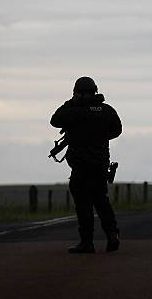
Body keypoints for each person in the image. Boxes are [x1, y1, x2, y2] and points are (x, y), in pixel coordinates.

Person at [50, 77, 122, 254]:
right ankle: (113, 235)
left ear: (78, 93)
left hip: (81, 166)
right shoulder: (106, 110)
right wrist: (100, 137)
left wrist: (71, 103)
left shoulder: (75, 111)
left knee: (83, 205)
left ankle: (87, 242)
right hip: (100, 164)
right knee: (101, 201)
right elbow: (117, 130)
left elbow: (55, 120)